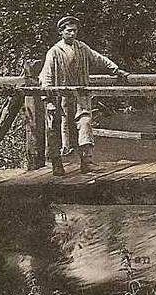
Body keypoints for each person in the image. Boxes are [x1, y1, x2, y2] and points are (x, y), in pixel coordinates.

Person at [40, 16, 130, 176]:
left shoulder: (82, 48)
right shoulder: (54, 52)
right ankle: (57, 164)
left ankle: (86, 162)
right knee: (56, 129)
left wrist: (116, 70)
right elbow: (46, 77)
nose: (73, 34)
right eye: (69, 31)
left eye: (75, 30)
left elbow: (98, 59)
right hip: (60, 99)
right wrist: (48, 101)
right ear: (61, 32)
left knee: (85, 123)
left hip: (80, 97)